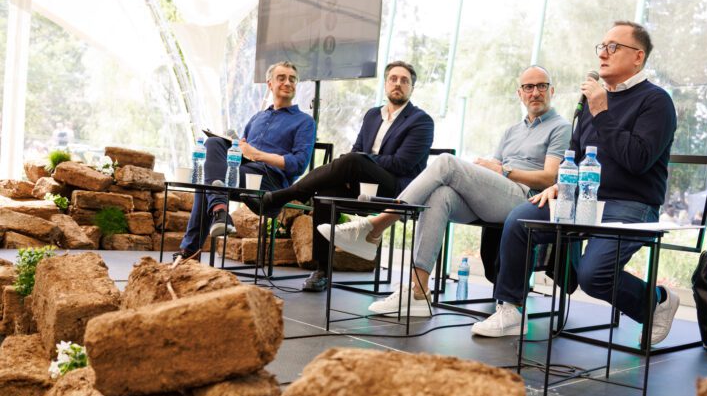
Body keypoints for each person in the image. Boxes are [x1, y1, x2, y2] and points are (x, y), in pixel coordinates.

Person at [470, 20, 680, 344]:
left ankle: (657, 301)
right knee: (520, 220)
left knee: (593, 276)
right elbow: (577, 153)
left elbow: (637, 160)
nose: (603, 54)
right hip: (582, 197)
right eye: (602, 47)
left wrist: (602, 111)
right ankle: (510, 309)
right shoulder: (592, 100)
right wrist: (561, 183)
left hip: (631, 204)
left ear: (638, 57)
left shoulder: (656, 101)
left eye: (613, 47)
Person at [325, 65, 570, 315]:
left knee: (446, 162)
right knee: (439, 196)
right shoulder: (511, 131)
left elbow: (549, 177)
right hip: (498, 197)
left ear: (551, 91)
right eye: (528, 87)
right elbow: (495, 168)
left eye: (541, 86)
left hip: (525, 199)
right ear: (520, 93)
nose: (535, 92)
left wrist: (504, 171)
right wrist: (487, 170)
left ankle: (376, 226)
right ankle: (418, 290)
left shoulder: (559, 127)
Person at [259, 60, 434, 291]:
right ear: (385, 83)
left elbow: (402, 164)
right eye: (393, 79)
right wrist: (356, 165)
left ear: (412, 87)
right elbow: (356, 150)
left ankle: (285, 195)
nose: (398, 84)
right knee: (324, 194)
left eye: (404, 81)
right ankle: (321, 271)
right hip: (361, 182)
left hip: (396, 191)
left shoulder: (421, 121)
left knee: (352, 160)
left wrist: (362, 161)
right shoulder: (373, 115)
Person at [176, 61, 315, 263]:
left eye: (292, 79)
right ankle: (219, 212)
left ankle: (190, 251)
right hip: (243, 172)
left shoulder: (305, 121)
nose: (287, 83)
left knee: (208, 182)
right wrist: (236, 146)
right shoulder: (257, 118)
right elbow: (241, 152)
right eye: (281, 78)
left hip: (271, 181)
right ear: (269, 84)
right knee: (213, 143)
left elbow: (299, 164)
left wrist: (258, 154)